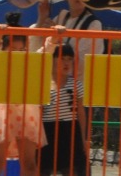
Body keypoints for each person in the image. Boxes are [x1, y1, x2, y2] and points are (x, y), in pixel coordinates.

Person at [0, 12, 44, 176]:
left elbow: (45, 53)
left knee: (29, 164)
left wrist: (54, 38)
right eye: (13, 49)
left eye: (21, 50)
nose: (17, 53)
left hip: (27, 112)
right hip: (1, 112)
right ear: (5, 48)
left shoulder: (30, 61)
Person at [39, 45, 88, 176]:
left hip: (70, 129)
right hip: (47, 129)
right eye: (62, 58)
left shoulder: (77, 84)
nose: (66, 63)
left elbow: (81, 113)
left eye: (69, 59)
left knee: (71, 169)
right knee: (43, 169)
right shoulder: (43, 84)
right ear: (53, 60)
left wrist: (83, 137)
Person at [32, 0, 103, 78]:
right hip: (53, 81)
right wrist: (42, 18)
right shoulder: (61, 17)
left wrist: (56, 39)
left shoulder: (94, 24)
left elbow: (82, 64)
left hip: (77, 83)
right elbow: (36, 51)